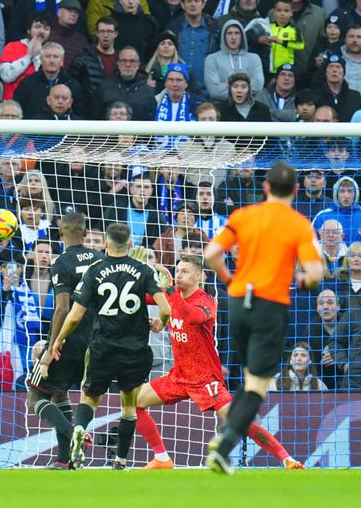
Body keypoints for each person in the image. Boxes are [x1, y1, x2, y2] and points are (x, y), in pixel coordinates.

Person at [203, 161, 323, 474]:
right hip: (270, 306)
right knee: (258, 385)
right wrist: (305, 281)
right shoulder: (299, 224)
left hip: (237, 303)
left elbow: (211, 254)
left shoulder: (243, 216)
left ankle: (224, 440)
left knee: (247, 379)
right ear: (296, 191)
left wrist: (229, 280)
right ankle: (224, 446)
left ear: (265, 188)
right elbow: (314, 273)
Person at [134, 255, 305, 470]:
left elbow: (192, 317)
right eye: (177, 270)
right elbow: (143, 296)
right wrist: (134, 272)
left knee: (240, 421)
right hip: (178, 376)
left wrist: (167, 291)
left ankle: (286, 459)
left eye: (185, 271)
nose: (178, 275)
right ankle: (162, 458)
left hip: (206, 378)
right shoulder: (171, 296)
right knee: (134, 402)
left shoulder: (206, 300)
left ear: (198, 276)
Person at [40, 223, 171, 470]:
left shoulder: (95, 270)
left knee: (89, 399)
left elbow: (75, 315)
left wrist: (58, 340)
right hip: (135, 351)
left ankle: (79, 431)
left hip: (102, 349)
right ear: (130, 245)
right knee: (129, 406)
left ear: (106, 244)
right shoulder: (143, 270)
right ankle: (120, 460)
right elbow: (165, 309)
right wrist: (160, 323)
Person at [27, 211, 104, 468]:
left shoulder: (61, 263)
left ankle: (75, 435)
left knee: (34, 396)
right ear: (85, 232)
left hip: (69, 340)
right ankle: (64, 461)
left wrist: (51, 346)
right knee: (60, 393)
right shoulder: (101, 259)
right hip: (97, 343)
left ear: (60, 233)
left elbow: (62, 308)